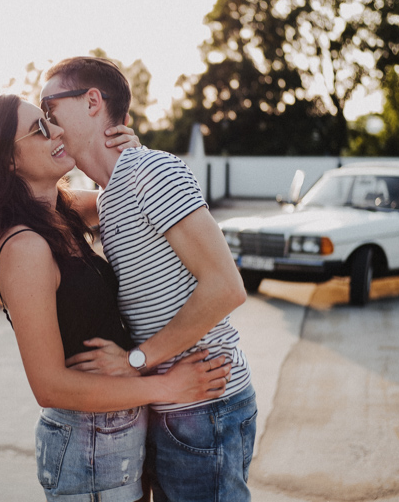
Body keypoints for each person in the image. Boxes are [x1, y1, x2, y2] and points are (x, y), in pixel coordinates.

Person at [0, 90, 233, 502]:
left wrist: (131, 159)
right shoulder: (24, 248)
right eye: (40, 128)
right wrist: (167, 387)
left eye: (51, 120)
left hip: (116, 439)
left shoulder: (60, 211)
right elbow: (49, 387)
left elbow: (127, 197)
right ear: (8, 160)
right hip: (88, 448)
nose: (57, 130)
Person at [40, 57, 256, 502]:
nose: (46, 124)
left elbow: (226, 287)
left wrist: (135, 361)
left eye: (49, 108)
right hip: (169, 410)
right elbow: (38, 194)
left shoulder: (150, 173)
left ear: (93, 101)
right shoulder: (112, 194)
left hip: (205, 406)